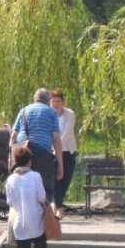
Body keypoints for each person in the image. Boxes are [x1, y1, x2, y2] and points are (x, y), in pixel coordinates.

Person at [5, 146, 52, 248]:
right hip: (36, 220)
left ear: (16, 161)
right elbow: (41, 197)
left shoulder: (10, 179)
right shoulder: (35, 176)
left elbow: (10, 202)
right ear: (29, 161)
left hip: (20, 221)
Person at [10, 88, 63, 203]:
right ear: (48, 101)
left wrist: (11, 159)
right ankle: (44, 215)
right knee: (46, 189)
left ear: (35, 99)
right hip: (42, 154)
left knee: (21, 188)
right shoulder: (51, 113)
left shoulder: (23, 111)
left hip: (22, 153)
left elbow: (13, 137)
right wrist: (60, 165)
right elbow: (56, 140)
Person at [49, 89, 77, 219]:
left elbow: (66, 133)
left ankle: (56, 205)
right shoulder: (48, 115)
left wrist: (57, 145)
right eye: (53, 101)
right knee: (56, 181)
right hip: (53, 152)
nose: (55, 104)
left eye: (58, 101)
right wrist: (54, 149)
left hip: (68, 151)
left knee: (65, 180)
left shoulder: (70, 114)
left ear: (63, 102)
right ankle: (59, 208)